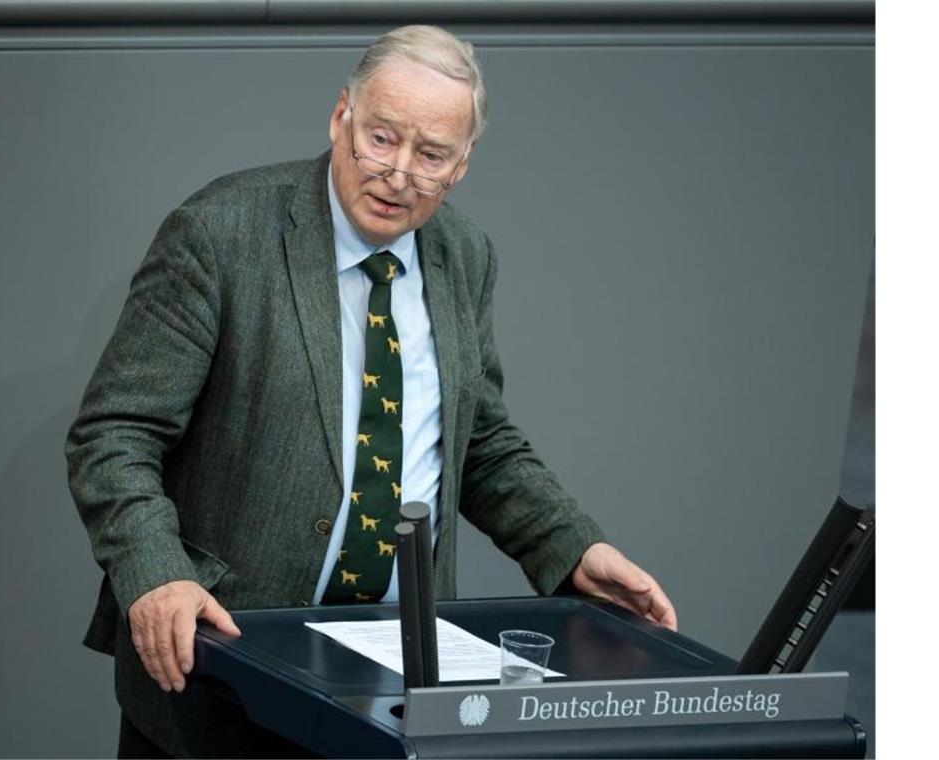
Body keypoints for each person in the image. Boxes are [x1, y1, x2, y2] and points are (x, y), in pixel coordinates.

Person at [66, 25, 677, 759]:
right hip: (223, 663)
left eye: (431, 155)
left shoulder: (464, 257)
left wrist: (573, 547)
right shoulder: (221, 233)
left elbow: (478, 440)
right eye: (382, 138)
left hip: (392, 687)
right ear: (341, 116)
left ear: (462, 165)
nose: (399, 174)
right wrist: (156, 577)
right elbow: (115, 434)